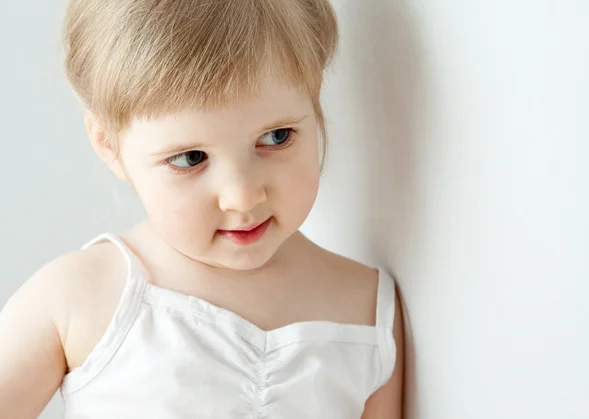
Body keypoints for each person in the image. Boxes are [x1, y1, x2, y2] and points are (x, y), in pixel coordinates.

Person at [0, 0, 404, 417]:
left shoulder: (368, 312)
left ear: (314, 94)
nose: (243, 197)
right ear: (108, 143)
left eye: (277, 136)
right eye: (191, 158)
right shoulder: (80, 295)